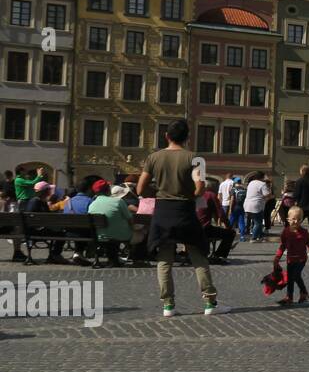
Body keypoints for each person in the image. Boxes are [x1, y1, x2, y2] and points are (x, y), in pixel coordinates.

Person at [138, 119, 230, 317]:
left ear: (166, 136)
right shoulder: (196, 158)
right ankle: (209, 302)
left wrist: (158, 193)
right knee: (198, 256)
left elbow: (140, 188)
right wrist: (188, 195)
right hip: (185, 210)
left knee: (164, 259)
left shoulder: (153, 158)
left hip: (163, 211)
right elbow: (200, 187)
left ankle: (168, 306)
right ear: (188, 138)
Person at [89, 180, 132, 267]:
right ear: (108, 190)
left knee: (110, 232)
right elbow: (130, 219)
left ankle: (112, 259)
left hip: (100, 235)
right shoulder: (118, 202)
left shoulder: (92, 204)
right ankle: (136, 257)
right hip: (120, 235)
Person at [275, 206, 309, 305]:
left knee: (296, 275)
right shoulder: (286, 232)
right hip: (290, 259)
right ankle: (289, 297)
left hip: (301, 259)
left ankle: (304, 292)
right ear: (288, 219)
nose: (295, 221)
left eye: (298, 219)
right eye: (293, 219)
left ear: (301, 220)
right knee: (290, 278)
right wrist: (277, 258)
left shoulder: (304, 232)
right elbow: (282, 246)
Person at [195, 182, 235, 264]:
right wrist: (228, 226)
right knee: (230, 233)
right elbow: (221, 214)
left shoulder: (195, 194)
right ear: (212, 188)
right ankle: (218, 255)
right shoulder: (210, 195)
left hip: (190, 227)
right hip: (203, 228)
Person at [20, 181, 60, 263]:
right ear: (45, 191)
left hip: (30, 230)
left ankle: (53, 255)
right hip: (37, 231)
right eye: (49, 189)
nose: (50, 191)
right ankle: (55, 255)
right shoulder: (39, 202)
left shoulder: (33, 201)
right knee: (61, 233)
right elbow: (49, 217)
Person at [243, 172, 271, 242]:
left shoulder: (251, 183)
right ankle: (254, 238)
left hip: (247, 204)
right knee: (258, 222)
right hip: (256, 205)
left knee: (257, 221)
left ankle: (260, 236)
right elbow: (267, 194)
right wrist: (270, 193)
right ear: (262, 177)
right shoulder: (262, 184)